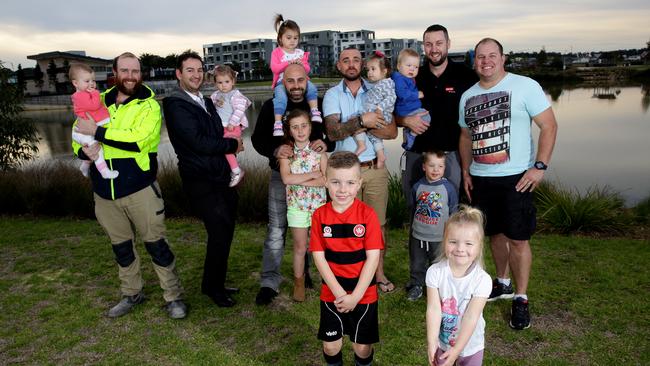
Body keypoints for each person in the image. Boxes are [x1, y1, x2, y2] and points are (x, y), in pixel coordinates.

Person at [72, 52, 186, 319]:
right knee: (121, 248)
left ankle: (173, 297)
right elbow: (77, 135)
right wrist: (83, 152)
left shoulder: (149, 105)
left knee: (157, 245)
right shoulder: (96, 100)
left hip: (140, 190)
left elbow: (137, 140)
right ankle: (131, 293)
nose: (131, 76)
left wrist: (97, 133)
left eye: (135, 71)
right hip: (104, 192)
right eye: (125, 70)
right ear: (115, 71)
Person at [458, 38, 558, 330]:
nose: (486, 61)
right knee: (495, 234)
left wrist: (539, 166)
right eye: (480, 57)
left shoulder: (526, 86)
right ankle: (501, 283)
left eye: (492, 56)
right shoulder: (467, 96)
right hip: (481, 177)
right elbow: (466, 137)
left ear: (503, 59)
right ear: (474, 62)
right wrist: (466, 171)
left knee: (518, 238)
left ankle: (521, 298)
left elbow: (549, 125)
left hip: (517, 179)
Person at [163, 50, 244, 308]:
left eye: (199, 70)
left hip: (220, 175)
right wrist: (231, 144)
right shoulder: (175, 103)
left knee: (226, 229)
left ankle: (214, 282)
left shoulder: (207, 101)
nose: (196, 75)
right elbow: (198, 142)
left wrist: (228, 141)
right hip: (200, 179)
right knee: (219, 229)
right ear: (179, 74)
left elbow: (216, 131)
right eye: (190, 70)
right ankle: (213, 289)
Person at [252, 63, 333, 305]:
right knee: (277, 230)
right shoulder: (272, 106)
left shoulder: (317, 103)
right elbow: (257, 140)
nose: (296, 86)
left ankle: (307, 274)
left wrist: (327, 145)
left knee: (313, 231)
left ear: (307, 79)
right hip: (283, 177)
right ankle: (269, 281)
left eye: (300, 80)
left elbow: (331, 136)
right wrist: (276, 149)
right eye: (290, 81)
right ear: (282, 81)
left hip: (316, 179)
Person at [323, 47, 397, 294]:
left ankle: (378, 274)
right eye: (346, 60)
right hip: (344, 173)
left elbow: (391, 132)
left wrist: (364, 124)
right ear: (339, 66)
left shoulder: (378, 86)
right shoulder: (332, 94)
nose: (352, 64)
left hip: (374, 168)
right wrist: (362, 121)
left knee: (377, 225)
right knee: (346, 224)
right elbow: (333, 133)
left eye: (356, 60)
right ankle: (348, 274)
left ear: (363, 64)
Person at [310, 151, 383, 366]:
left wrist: (356, 296)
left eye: (350, 182)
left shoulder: (368, 215)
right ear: (325, 181)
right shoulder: (320, 216)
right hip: (333, 292)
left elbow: (372, 259)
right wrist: (340, 293)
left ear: (359, 183)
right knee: (330, 345)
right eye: (336, 182)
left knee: (362, 347)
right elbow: (319, 257)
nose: (343, 189)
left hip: (364, 293)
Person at [397, 24, 478, 203]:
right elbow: (390, 115)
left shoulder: (467, 76)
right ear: (423, 46)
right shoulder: (412, 76)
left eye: (439, 43)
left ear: (448, 44)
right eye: (428, 44)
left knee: (450, 212)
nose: (434, 49)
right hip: (417, 157)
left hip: (452, 157)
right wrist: (405, 120)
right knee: (416, 211)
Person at [425, 206, 491, 366]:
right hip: (442, 341)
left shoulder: (483, 280)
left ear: (479, 246)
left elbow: (471, 316)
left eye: (469, 243)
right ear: (444, 241)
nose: (460, 249)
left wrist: (456, 351)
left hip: (471, 347)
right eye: (453, 242)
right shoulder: (435, 272)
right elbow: (434, 309)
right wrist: (432, 341)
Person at [279, 109, 328, 302]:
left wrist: (298, 180)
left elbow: (325, 181)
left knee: (321, 247)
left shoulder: (319, 153)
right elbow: (285, 178)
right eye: (295, 127)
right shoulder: (286, 154)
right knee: (300, 247)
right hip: (297, 207)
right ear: (289, 130)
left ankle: (328, 281)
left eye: (304, 126)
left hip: (319, 207)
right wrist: (311, 175)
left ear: (310, 127)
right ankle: (299, 283)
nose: (300, 131)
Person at [407, 151, 458, 301]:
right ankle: (417, 285)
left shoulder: (448, 188)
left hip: (439, 236)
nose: (436, 170)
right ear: (424, 167)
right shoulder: (417, 186)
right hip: (419, 235)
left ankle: (439, 288)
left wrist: (451, 234)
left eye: (440, 166)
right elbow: (413, 207)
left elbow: (453, 210)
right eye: (432, 166)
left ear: (444, 168)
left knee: (438, 264)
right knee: (417, 262)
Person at [271, 14, 322, 136]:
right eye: (289, 38)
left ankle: (314, 111)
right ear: (280, 39)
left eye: (295, 38)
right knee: (280, 98)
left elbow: (307, 69)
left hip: (301, 81)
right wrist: (289, 63)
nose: (292, 41)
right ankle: (278, 123)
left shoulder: (300, 53)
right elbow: (275, 68)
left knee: (312, 88)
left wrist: (301, 65)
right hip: (282, 82)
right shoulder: (277, 52)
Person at [69, 63, 118, 179]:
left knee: (93, 149)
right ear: (75, 83)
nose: (91, 83)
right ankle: (105, 172)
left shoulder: (85, 94)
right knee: (97, 150)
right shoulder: (79, 96)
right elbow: (94, 106)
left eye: (93, 80)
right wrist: (96, 93)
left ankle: (85, 165)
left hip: (84, 130)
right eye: (87, 81)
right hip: (81, 132)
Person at [210, 64, 251, 187]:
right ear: (216, 83)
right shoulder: (215, 95)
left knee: (227, 149)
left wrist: (232, 123)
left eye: (227, 81)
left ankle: (237, 171)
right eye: (220, 82)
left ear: (233, 81)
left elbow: (239, 110)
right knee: (221, 149)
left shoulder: (235, 95)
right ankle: (229, 170)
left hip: (232, 127)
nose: (223, 85)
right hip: (221, 128)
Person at [357, 50, 396, 169]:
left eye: (373, 69)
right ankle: (380, 154)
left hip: (382, 114)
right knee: (375, 137)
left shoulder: (386, 83)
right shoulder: (376, 84)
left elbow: (392, 97)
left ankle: (362, 144)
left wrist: (380, 108)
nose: (369, 73)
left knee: (357, 123)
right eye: (368, 70)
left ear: (384, 71)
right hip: (375, 114)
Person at [391, 48, 431, 151]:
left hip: (409, 109)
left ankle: (408, 132)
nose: (412, 69)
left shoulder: (407, 78)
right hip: (407, 110)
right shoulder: (399, 78)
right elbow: (402, 94)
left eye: (416, 67)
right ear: (399, 66)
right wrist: (417, 95)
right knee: (426, 118)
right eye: (409, 65)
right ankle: (411, 135)